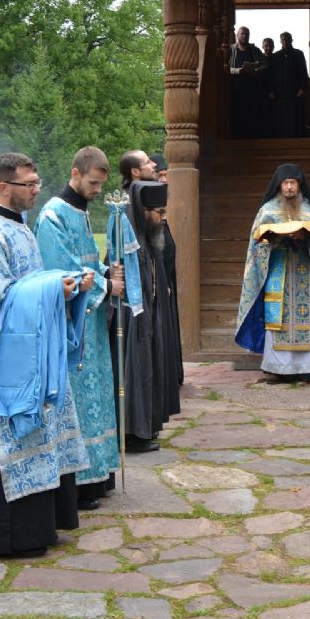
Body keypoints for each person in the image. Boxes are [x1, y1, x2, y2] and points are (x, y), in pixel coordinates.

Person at [0, 152, 89, 556]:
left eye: (37, 183)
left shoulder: (21, 228)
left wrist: (65, 284)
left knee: (42, 433)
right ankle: (13, 537)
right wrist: (53, 289)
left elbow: (30, 284)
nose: (36, 190)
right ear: (4, 187)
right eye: (28, 184)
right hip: (3, 361)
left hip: (32, 351)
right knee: (12, 440)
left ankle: (41, 529)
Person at [34, 147, 122, 510]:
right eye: (93, 183)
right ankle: (80, 483)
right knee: (80, 397)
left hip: (92, 321)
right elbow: (61, 267)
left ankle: (98, 476)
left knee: (96, 392)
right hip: (72, 323)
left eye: (101, 184)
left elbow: (87, 261)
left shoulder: (81, 212)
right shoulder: (52, 215)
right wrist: (106, 285)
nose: (97, 190)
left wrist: (105, 272)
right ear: (75, 173)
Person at [235, 163, 310, 380]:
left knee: (309, 316)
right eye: (286, 183)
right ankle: (278, 367)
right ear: (279, 186)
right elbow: (256, 246)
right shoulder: (267, 211)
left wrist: (306, 238)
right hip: (278, 270)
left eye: (293, 183)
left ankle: (309, 367)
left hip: (305, 271)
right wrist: (273, 239)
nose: (289, 187)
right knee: (278, 317)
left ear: (299, 185)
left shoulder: (309, 211)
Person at [118, 169, 174, 451]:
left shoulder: (149, 237)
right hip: (132, 320)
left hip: (149, 317)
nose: (163, 218)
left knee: (149, 369)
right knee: (135, 373)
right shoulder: (126, 239)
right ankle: (132, 434)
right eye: (159, 212)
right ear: (143, 211)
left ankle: (145, 428)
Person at [150, 153, 184, 386]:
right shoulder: (145, 207)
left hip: (166, 279)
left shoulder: (158, 204)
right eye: (159, 175)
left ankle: (173, 375)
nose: (164, 180)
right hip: (155, 281)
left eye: (165, 175)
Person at [269, 32, 309, 138]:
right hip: (279, 94)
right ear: (280, 41)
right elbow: (271, 75)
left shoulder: (298, 54)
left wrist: (302, 89)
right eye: (283, 39)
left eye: (287, 39)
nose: (285, 41)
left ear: (291, 40)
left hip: (294, 93)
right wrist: (271, 91)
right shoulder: (275, 56)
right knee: (281, 121)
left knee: (294, 120)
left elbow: (303, 72)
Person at [228, 25, 263, 138]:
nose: (245, 36)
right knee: (237, 115)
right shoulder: (231, 50)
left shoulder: (255, 50)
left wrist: (257, 70)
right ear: (237, 36)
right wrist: (237, 71)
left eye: (247, 34)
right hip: (236, 88)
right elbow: (225, 68)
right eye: (242, 34)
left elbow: (265, 65)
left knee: (252, 115)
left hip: (252, 88)